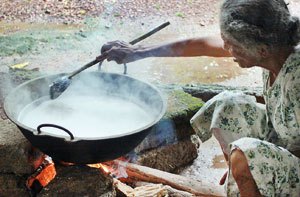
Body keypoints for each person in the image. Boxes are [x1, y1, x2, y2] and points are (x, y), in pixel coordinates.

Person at [101, 0, 300, 196]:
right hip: (284, 140)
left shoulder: (296, 79)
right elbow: (203, 45)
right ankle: (241, 178)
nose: (225, 48)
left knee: (246, 153)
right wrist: (137, 52)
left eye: (230, 44)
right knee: (227, 104)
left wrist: (255, 164)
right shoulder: (273, 47)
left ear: (261, 50)